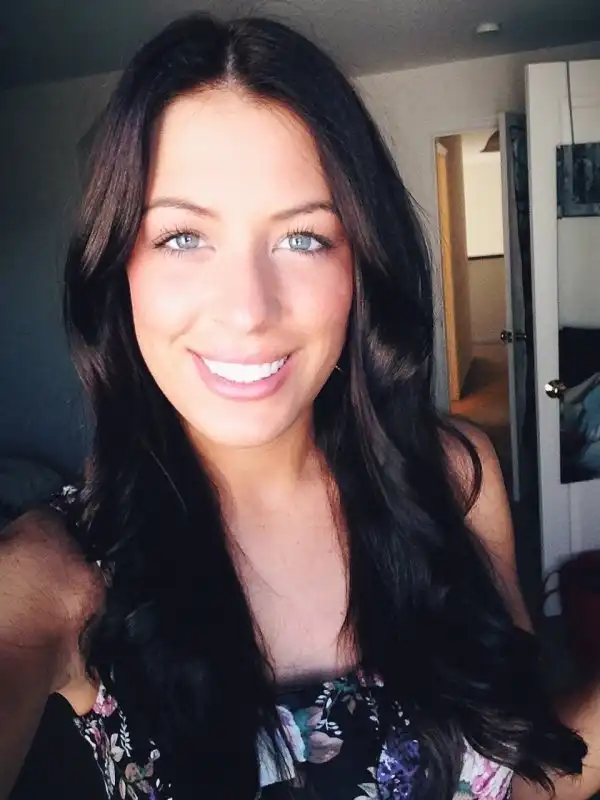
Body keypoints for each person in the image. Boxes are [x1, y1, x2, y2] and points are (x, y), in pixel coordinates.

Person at [1, 13, 598, 800]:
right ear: (117, 269)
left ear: (362, 266)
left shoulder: (454, 477)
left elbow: (524, 782)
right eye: (182, 237)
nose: (249, 310)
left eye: (304, 238)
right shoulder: (62, 572)